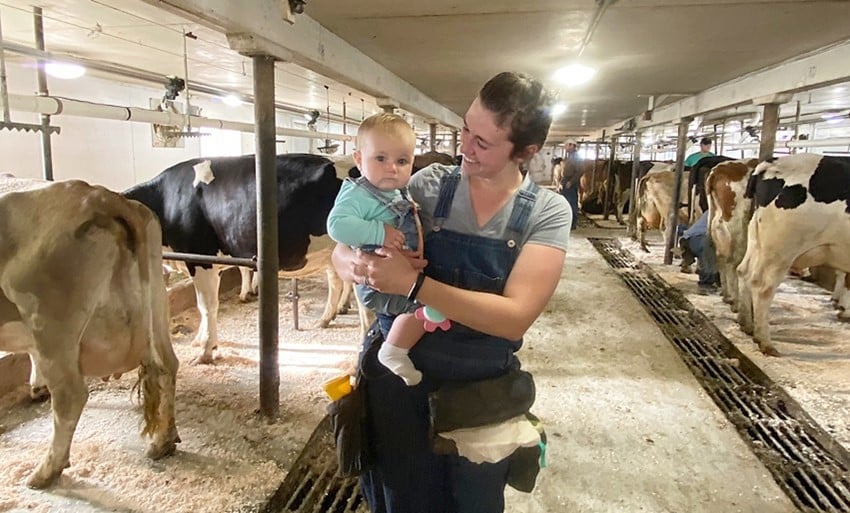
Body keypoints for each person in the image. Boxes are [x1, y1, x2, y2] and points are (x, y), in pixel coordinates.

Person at [332, 71, 571, 513]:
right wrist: (356, 264)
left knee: (474, 501)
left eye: (483, 142)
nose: (465, 146)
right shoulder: (425, 185)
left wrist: (415, 284)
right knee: (404, 496)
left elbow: (515, 315)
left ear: (526, 151)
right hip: (399, 377)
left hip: (480, 387)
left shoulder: (547, 212)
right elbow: (344, 247)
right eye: (466, 128)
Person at [327, 112, 447, 387]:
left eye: (401, 161)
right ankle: (394, 350)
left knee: (427, 305)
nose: (392, 167)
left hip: (396, 277)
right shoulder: (358, 194)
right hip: (379, 285)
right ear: (358, 160)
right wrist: (378, 233)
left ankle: (394, 350)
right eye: (380, 159)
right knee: (427, 305)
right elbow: (337, 225)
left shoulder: (396, 192)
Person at [679, 209, 720, 294]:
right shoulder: (719, 209)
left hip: (692, 238)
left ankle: (715, 277)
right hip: (695, 238)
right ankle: (706, 282)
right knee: (708, 246)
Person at [556, 138, 581, 229]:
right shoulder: (570, 156)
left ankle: (573, 223)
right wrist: (561, 183)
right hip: (566, 181)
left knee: (571, 202)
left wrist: (571, 181)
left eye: (567, 145)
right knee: (565, 202)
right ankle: (567, 221)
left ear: (572, 145)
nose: (565, 147)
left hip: (570, 182)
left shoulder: (576, 157)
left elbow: (579, 171)